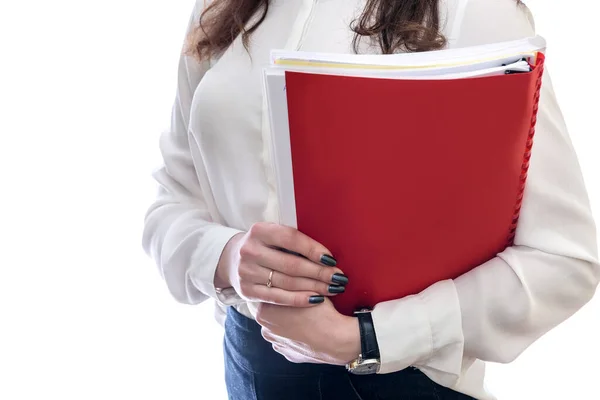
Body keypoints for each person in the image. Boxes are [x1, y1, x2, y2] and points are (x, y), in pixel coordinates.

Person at [142, 0, 600, 399]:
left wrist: (372, 337)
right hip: (249, 368)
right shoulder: (221, 8)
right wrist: (226, 256)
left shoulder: (475, 12)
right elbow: (173, 200)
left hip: (403, 382)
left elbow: (563, 258)